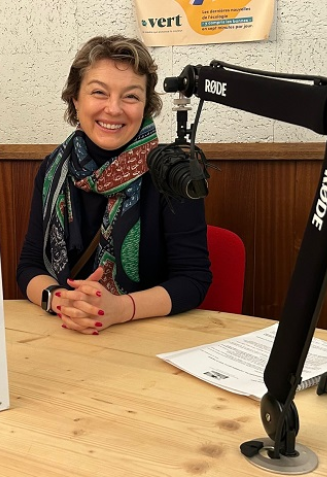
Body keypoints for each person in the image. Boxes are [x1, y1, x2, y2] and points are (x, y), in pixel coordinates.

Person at [16, 35, 212, 335]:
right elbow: (30, 266)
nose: (113, 108)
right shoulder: (54, 169)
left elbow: (193, 279)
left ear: (145, 106)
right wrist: (61, 300)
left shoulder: (173, 172)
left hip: (147, 334)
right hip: (67, 329)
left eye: (131, 96)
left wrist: (121, 309)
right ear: (75, 99)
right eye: (99, 92)